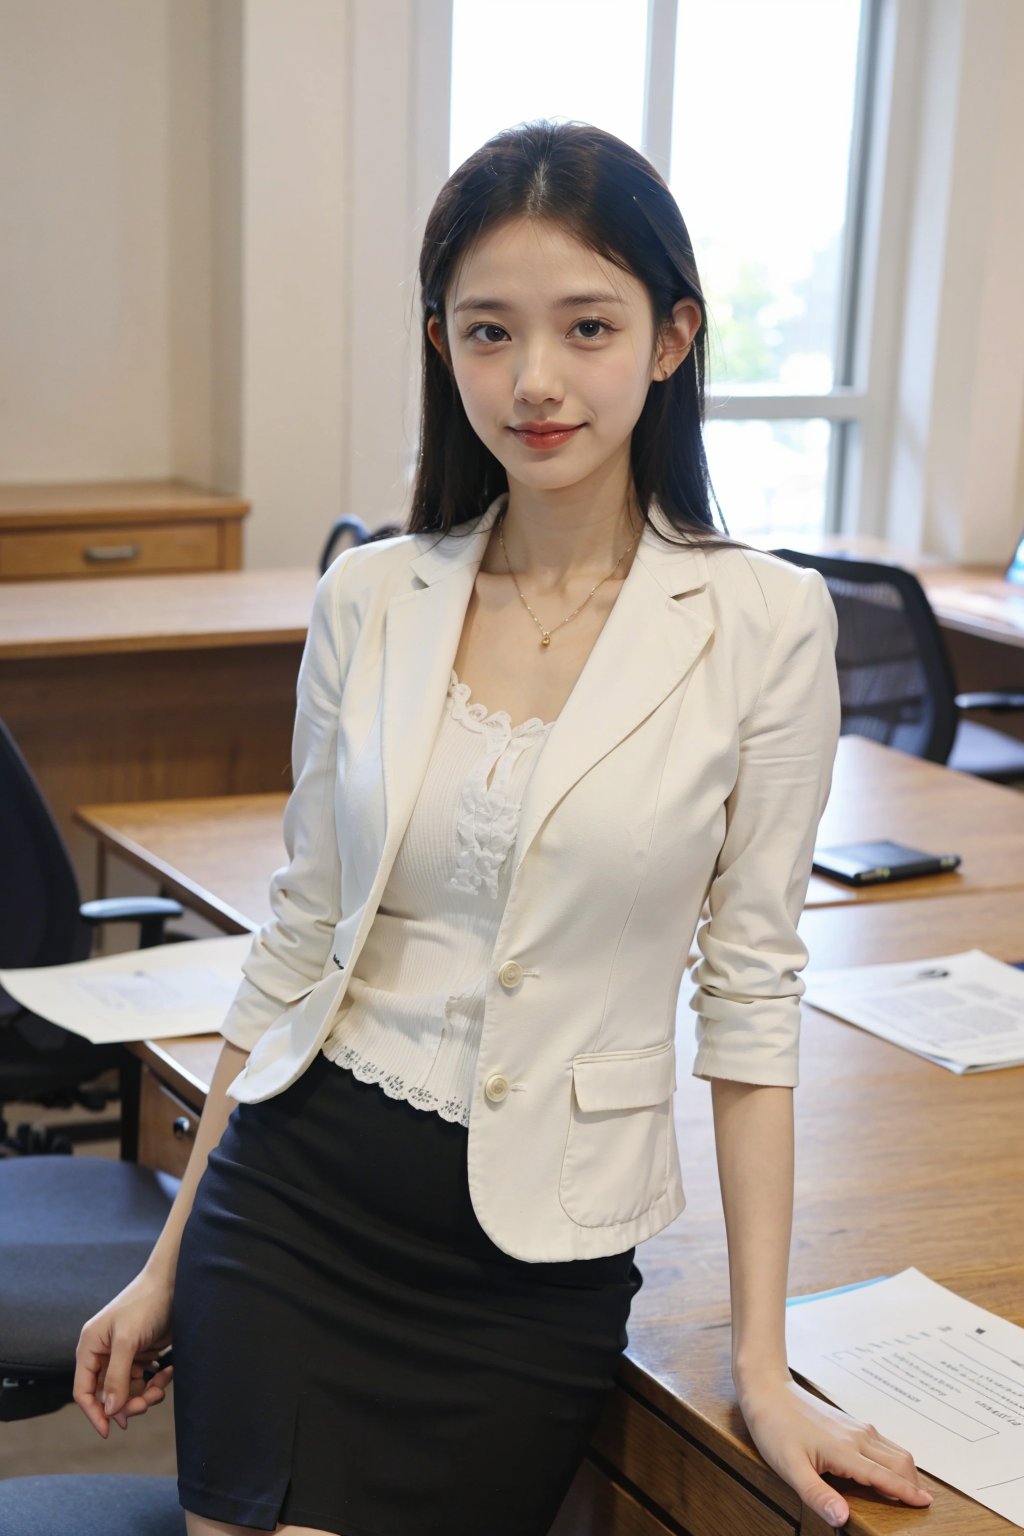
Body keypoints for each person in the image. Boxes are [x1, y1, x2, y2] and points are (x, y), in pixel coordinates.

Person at [74, 120, 933, 1536]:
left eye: (586, 326)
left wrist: (764, 1370)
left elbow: (753, 993)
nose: (534, 381)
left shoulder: (764, 621)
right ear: (442, 345)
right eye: (487, 333)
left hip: (529, 1257)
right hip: (295, 1203)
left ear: (670, 339)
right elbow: (296, 944)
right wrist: (169, 1258)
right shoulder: (372, 598)